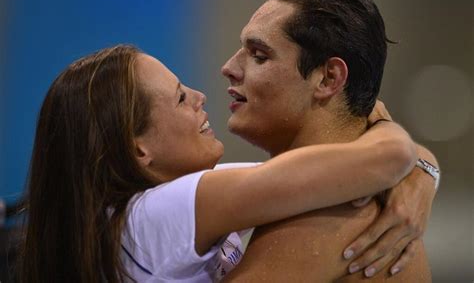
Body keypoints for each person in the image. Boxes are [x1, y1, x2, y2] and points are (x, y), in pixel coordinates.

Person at [18, 45, 419, 283]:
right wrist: (380, 121)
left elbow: (363, 169)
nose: (199, 96)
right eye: (178, 98)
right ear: (138, 148)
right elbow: (389, 158)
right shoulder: (160, 214)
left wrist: (420, 178)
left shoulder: (134, 217)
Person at [220, 0, 439, 282]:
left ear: (328, 79)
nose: (229, 67)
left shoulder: (326, 213)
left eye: (259, 55)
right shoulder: (349, 196)